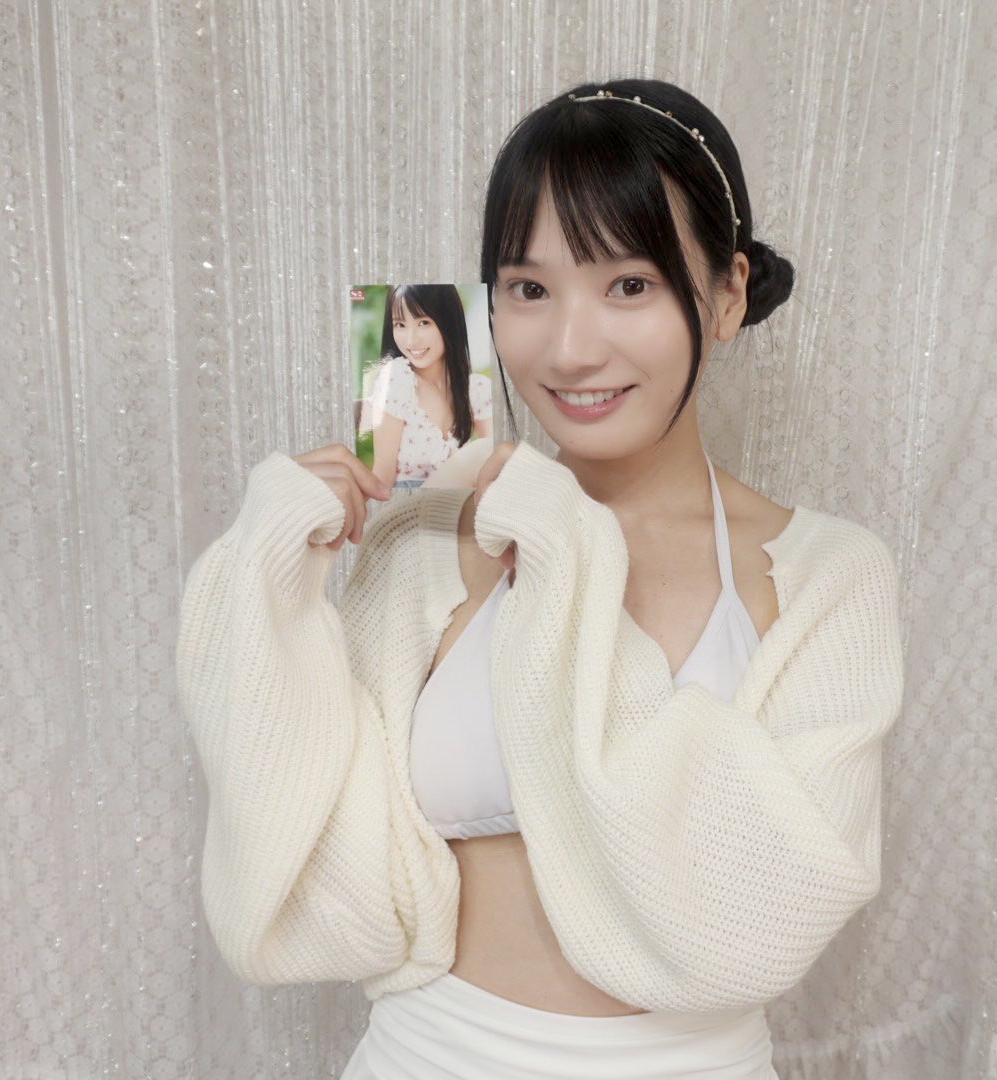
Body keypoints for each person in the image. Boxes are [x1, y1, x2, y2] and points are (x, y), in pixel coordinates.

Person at [175, 77, 905, 1080]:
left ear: (728, 293)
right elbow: (318, 899)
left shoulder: (828, 575)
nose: (571, 348)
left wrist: (566, 554)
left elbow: (768, 917)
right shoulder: (423, 543)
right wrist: (266, 581)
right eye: (528, 289)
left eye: (630, 286)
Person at [367, 284, 493, 492]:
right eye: (400, 325)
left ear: (448, 322)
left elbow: (498, 463)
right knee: (484, 450)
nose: (411, 340)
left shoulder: (475, 389)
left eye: (423, 323)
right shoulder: (397, 379)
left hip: (458, 502)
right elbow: (383, 476)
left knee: (493, 453)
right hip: (412, 502)